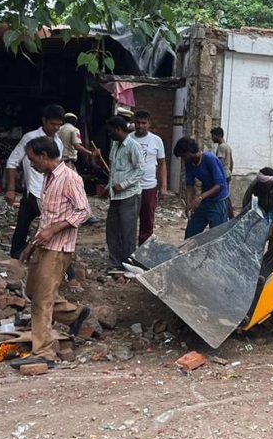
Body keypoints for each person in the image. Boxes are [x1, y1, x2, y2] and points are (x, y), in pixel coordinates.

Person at [11, 136, 91, 370]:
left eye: (33, 159)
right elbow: (47, 218)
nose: (32, 164)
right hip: (44, 246)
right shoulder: (47, 178)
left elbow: (84, 211)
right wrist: (31, 245)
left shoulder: (69, 178)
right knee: (34, 292)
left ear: (44, 156)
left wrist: (54, 230)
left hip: (58, 248)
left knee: (42, 300)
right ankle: (75, 315)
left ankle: (44, 352)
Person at [5, 105, 65, 259]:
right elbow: (12, 162)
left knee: (39, 225)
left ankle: (29, 256)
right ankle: (18, 257)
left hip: (46, 192)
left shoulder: (58, 142)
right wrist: (10, 189)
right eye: (53, 124)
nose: (56, 128)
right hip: (33, 190)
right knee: (27, 226)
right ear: (44, 121)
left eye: (59, 125)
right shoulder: (29, 138)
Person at [95, 115, 143, 270]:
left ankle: (128, 264)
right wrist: (108, 188)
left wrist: (123, 185)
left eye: (111, 131)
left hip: (130, 195)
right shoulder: (115, 145)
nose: (109, 134)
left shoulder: (133, 146)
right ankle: (115, 262)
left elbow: (140, 170)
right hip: (115, 197)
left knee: (127, 232)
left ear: (118, 129)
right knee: (112, 230)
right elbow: (114, 172)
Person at [174, 136, 229, 239]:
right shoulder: (189, 163)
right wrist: (189, 203)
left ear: (190, 152)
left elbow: (219, 185)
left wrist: (200, 198)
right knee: (191, 234)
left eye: (183, 156)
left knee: (217, 237)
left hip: (218, 201)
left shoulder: (209, 159)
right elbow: (189, 184)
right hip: (204, 200)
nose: (183, 159)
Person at [132, 110, 168, 244]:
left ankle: (143, 250)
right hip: (131, 187)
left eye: (143, 123)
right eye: (138, 122)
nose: (140, 126)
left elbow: (162, 163)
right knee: (129, 221)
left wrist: (163, 186)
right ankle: (129, 250)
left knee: (147, 221)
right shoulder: (129, 139)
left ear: (149, 124)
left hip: (149, 187)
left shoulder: (156, 140)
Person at [241, 167, 273, 240]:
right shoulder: (255, 185)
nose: (266, 186)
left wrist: (272, 227)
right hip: (259, 207)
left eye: (268, 184)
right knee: (256, 234)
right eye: (264, 184)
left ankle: (272, 251)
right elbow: (246, 204)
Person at [211, 127, 234, 216]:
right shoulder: (227, 146)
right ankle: (230, 215)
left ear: (218, 136)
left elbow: (219, 162)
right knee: (226, 195)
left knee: (222, 196)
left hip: (223, 174)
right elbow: (232, 162)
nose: (212, 138)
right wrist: (230, 172)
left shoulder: (221, 147)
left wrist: (217, 176)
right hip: (227, 173)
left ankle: (227, 214)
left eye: (213, 136)